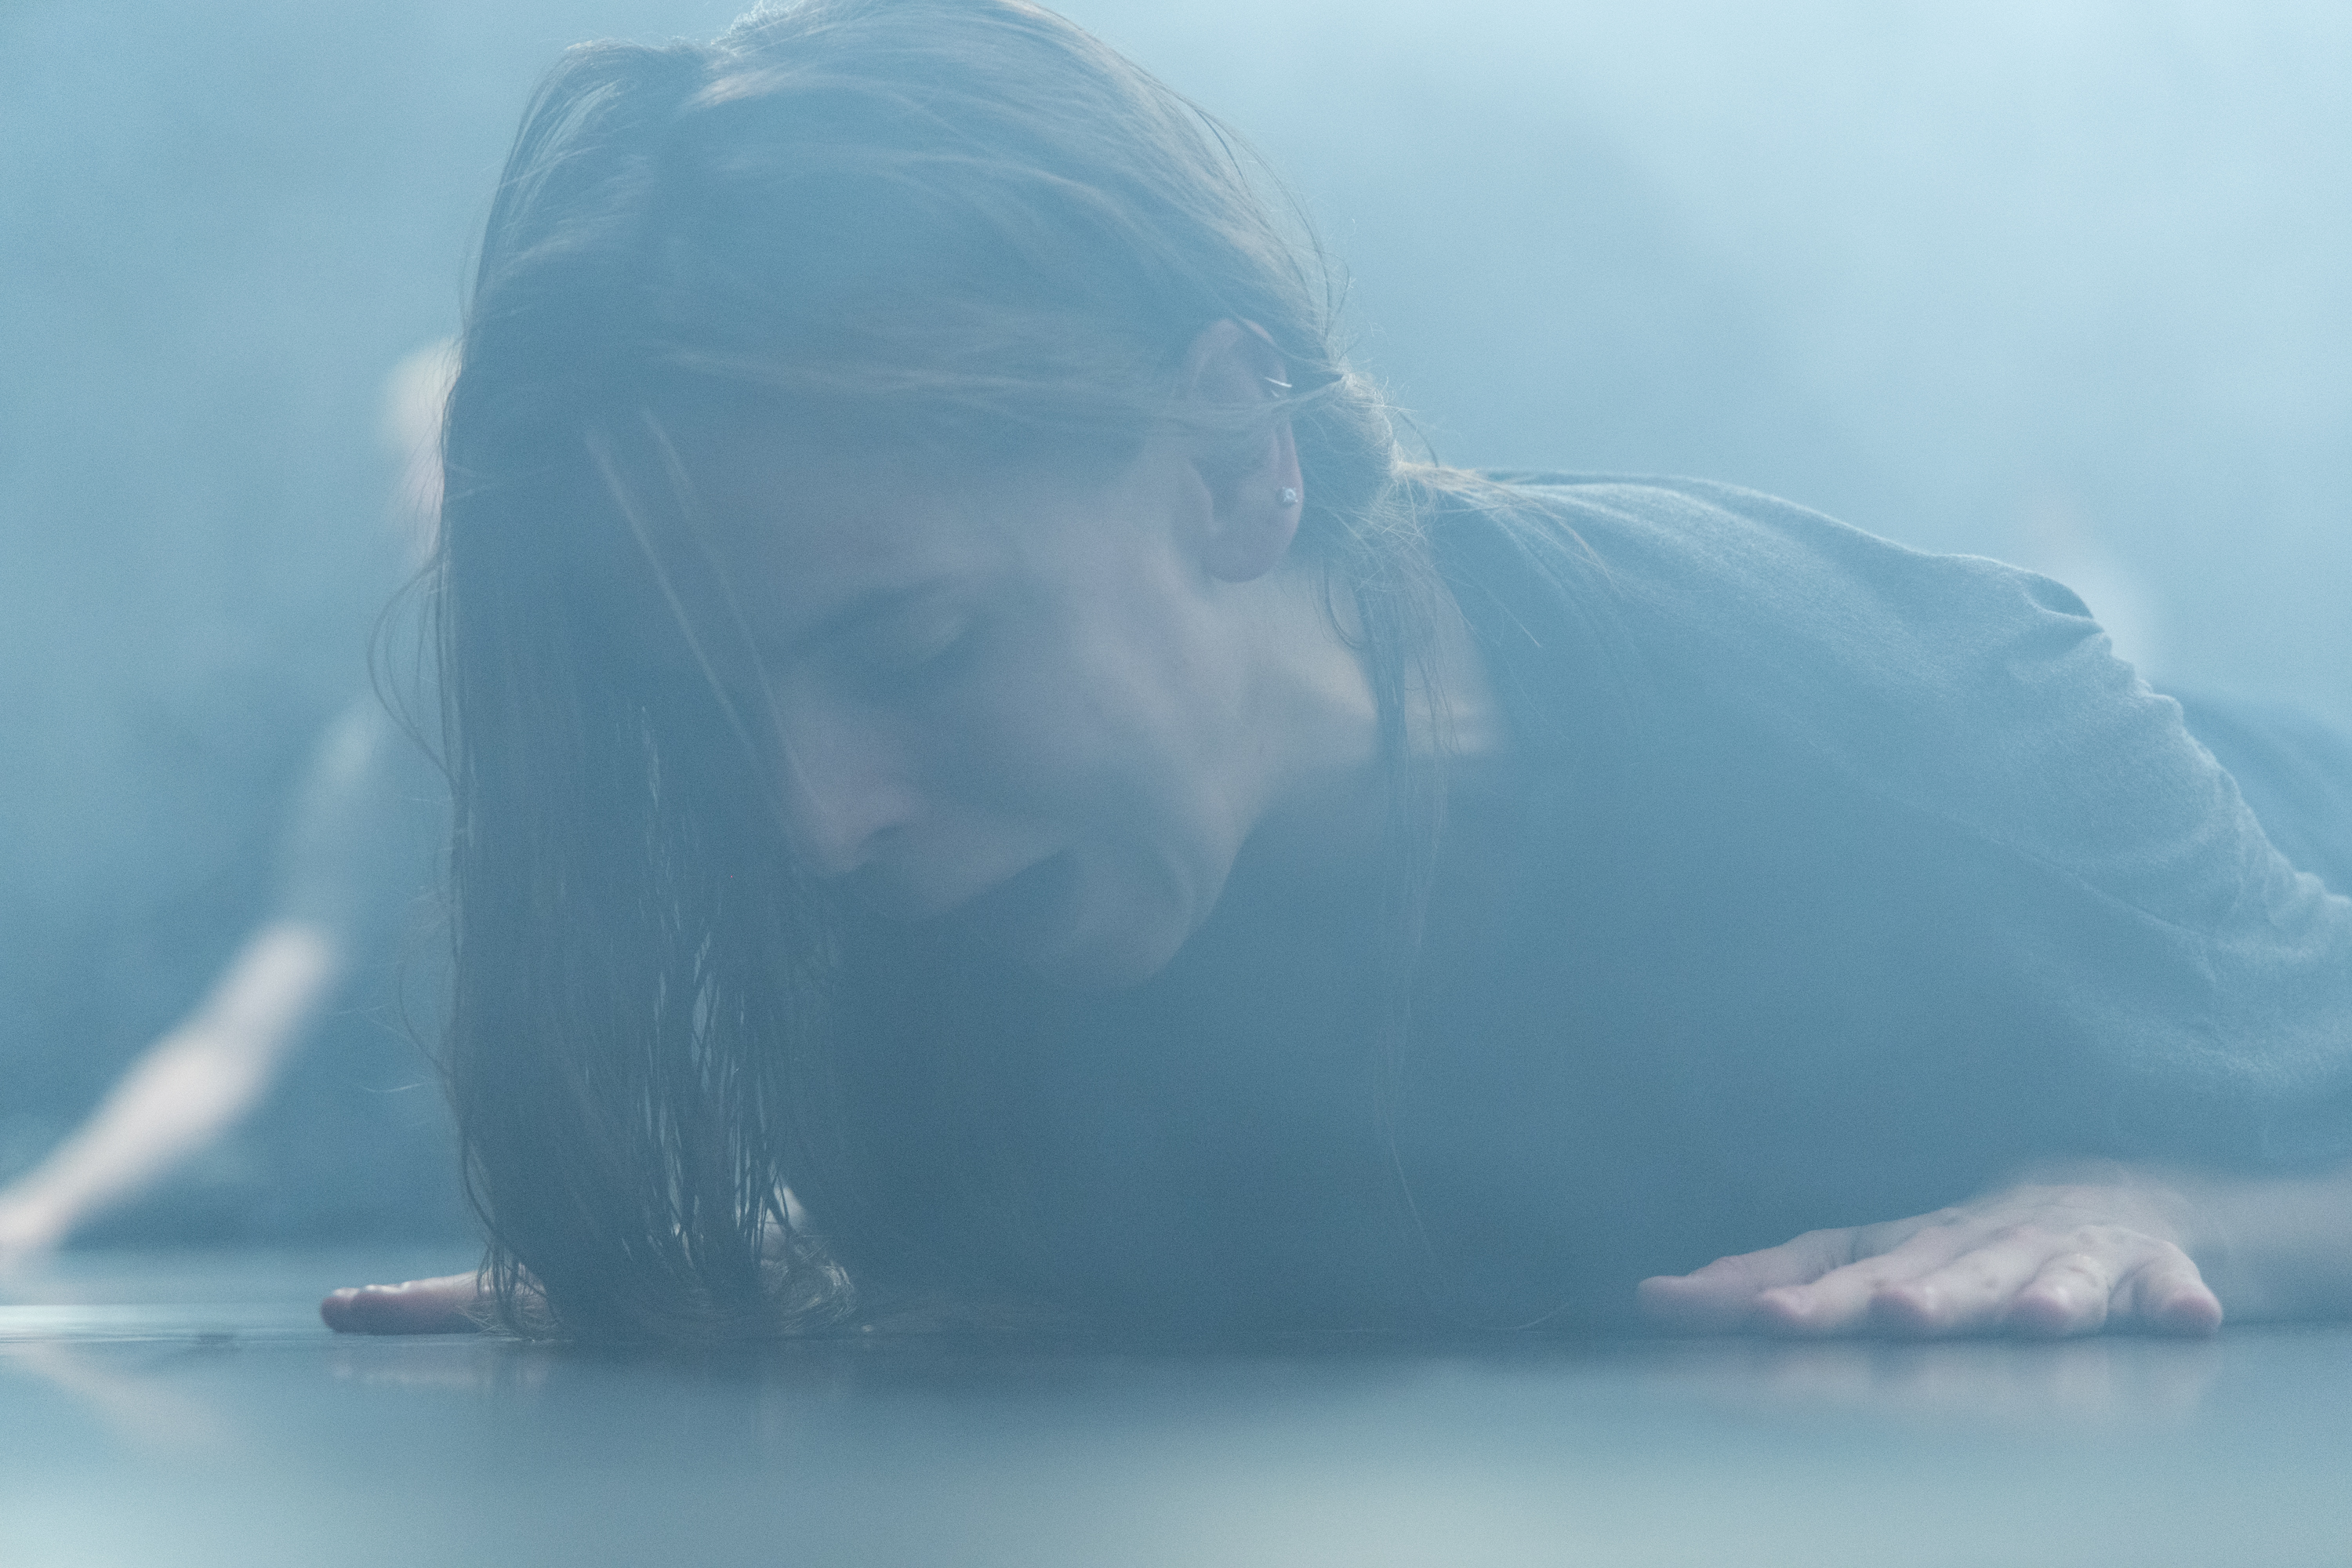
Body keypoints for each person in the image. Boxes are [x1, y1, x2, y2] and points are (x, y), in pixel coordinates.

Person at [325, 0, 2352, 1341]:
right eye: (726, 715)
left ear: (1231, 464)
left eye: (924, 647)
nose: (814, 817)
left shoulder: (1909, 717)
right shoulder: (945, 908)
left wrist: (2194, 1205)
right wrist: (845, 1259)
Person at [0, 346, 461, 1269]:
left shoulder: (697, 696)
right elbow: (235, 1042)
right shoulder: (385, 755)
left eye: (448, 452)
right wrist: (39, 1209)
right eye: (403, 462)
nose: (414, 493)